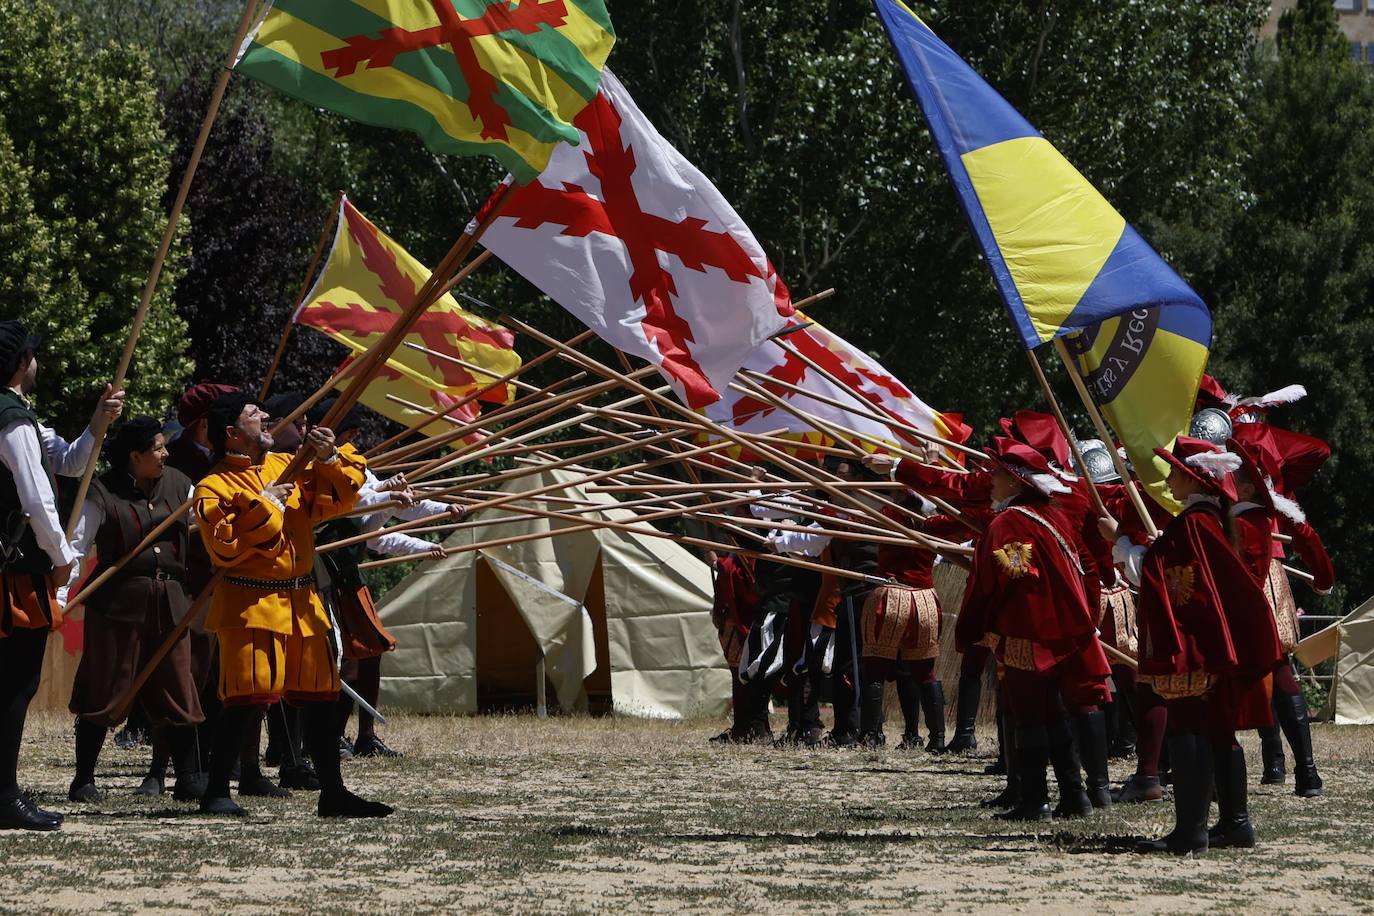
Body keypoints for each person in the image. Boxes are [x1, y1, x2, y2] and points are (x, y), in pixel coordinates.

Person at [194, 391, 389, 818]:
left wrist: (327, 457)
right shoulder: (213, 486)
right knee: (246, 698)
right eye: (253, 414)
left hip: (301, 599)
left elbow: (341, 499)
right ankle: (216, 790)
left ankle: (332, 793)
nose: (266, 417)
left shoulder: (289, 464)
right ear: (231, 433)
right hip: (251, 599)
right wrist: (266, 503)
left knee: (322, 696)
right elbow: (224, 549)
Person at [1103, 437, 1283, 854]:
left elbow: (1165, 576)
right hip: (1212, 644)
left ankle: (1190, 831)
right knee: (1219, 732)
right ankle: (1236, 824)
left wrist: (1122, 543)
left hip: (1195, 646)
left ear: (1191, 476)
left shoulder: (1193, 524)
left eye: (1175, 470)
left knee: (1188, 729)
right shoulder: (1208, 521)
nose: (1168, 477)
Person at [0, 320, 123, 830]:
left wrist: (98, 422)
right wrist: (60, 556)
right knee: (15, 683)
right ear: (20, 362)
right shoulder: (11, 419)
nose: (38, 362)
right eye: (33, 354)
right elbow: (37, 500)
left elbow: (72, 463)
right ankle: (4, 797)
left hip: (16, 565)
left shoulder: (23, 416)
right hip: (16, 570)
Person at [955, 438, 1112, 822]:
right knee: (1053, 713)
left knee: (1029, 715)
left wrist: (976, 626)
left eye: (997, 474)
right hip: (1067, 632)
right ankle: (1075, 796)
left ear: (1015, 481)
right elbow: (1087, 566)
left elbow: (1000, 580)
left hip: (1029, 632)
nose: (990, 479)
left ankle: (1035, 799)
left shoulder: (1007, 523)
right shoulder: (1054, 514)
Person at [63, 417, 206, 803]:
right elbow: (77, 546)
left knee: (179, 685)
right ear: (134, 456)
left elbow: (208, 525)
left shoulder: (180, 484)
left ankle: (190, 778)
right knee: (103, 685)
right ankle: (83, 779)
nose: (166, 453)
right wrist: (61, 594)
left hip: (171, 602)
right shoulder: (102, 490)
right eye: (158, 447)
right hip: (119, 605)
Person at [1228, 438, 1329, 798]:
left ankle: (1298, 766)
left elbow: (1317, 451)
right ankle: (1282, 763)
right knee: (1271, 668)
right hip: (1259, 574)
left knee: (1272, 665)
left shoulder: (1255, 470)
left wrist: (1323, 575)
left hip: (1257, 578)